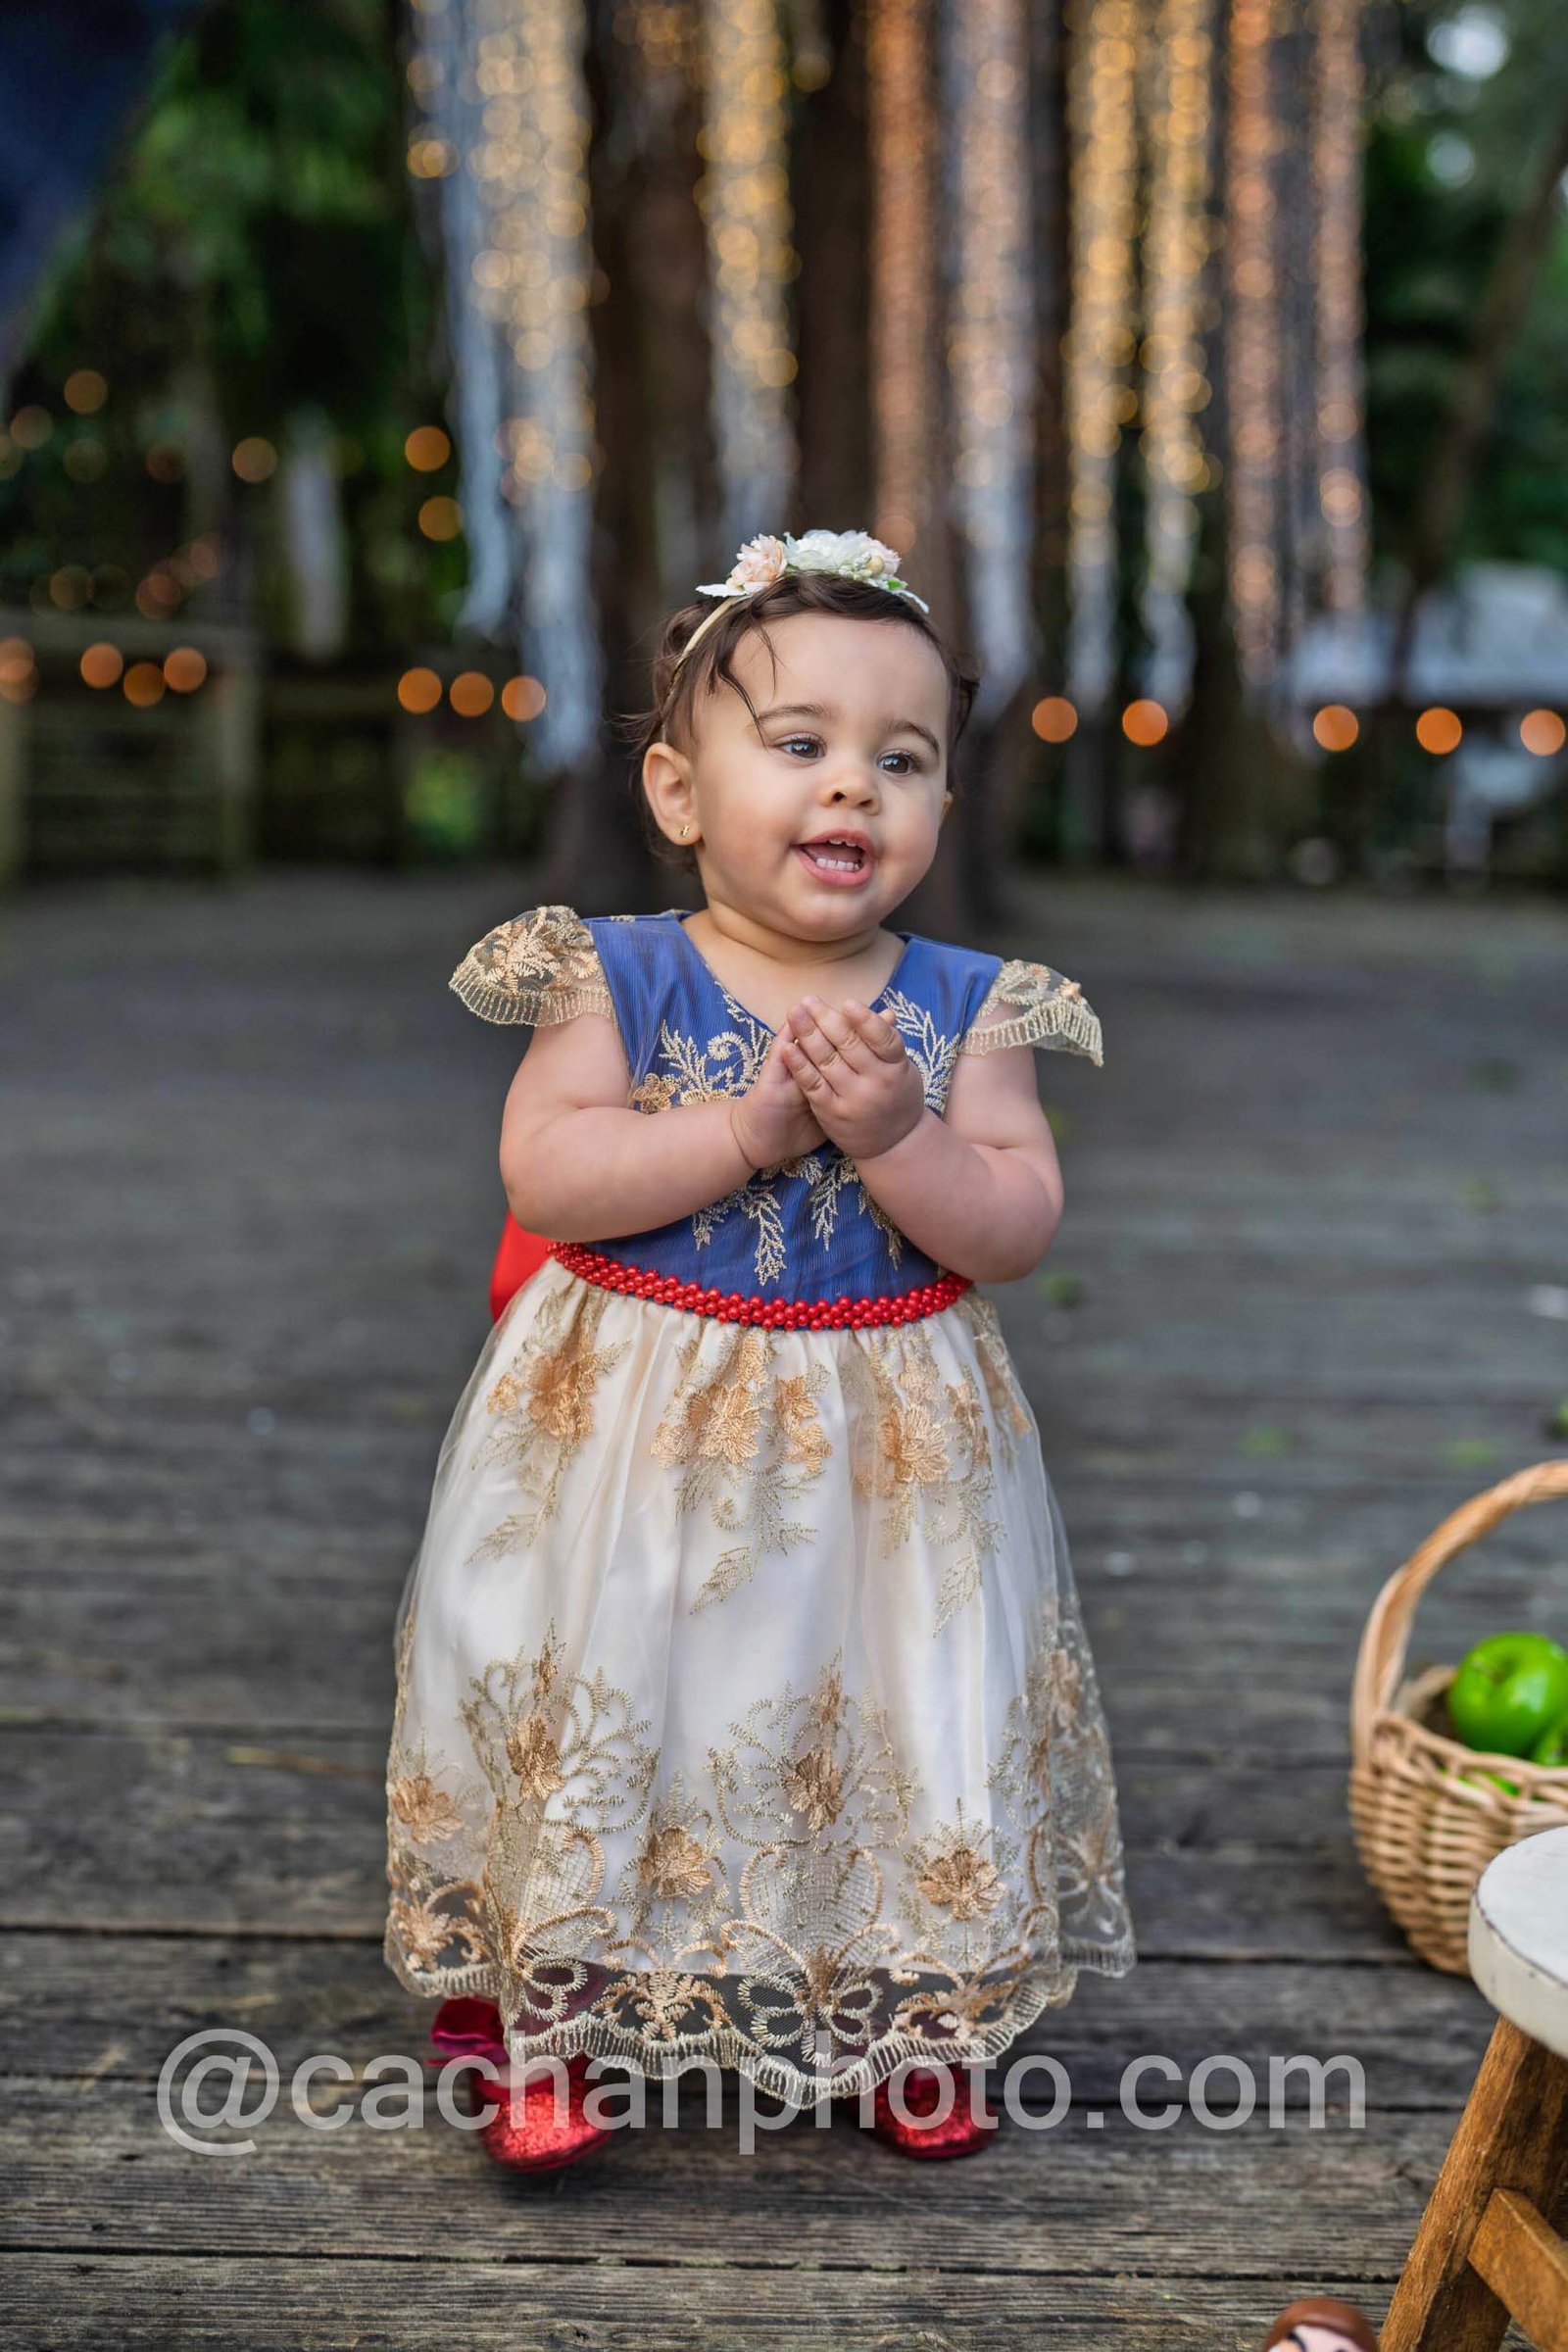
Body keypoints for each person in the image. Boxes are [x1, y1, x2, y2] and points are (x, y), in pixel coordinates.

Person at [384, 527, 1135, 2172]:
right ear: (677, 791)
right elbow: (549, 1173)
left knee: (895, 1704)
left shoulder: (969, 1007)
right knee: (605, 1689)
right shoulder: (616, 972)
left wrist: (899, 1137)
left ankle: (902, 1999)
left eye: (902, 759)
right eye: (800, 744)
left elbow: (1012, 1221)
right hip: (635, 1435)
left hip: (887, 1456)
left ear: (944, 802)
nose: (854, 784)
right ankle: (556, 1996)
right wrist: (744, 1129)